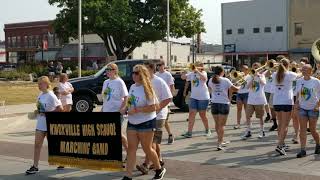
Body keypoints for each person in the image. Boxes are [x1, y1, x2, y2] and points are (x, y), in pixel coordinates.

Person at [122, 65, 166, 180]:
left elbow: (155, 106)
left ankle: (159, 169)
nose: (133, 75)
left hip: (146, 122)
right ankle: (128, 175)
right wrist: (126, 108)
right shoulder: (132, 86)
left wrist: (138, 110)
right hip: (132, 122)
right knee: (131, 149)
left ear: (142, 75)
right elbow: (130, 101)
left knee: (147, 148)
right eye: (133, 72)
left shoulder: (147, 88)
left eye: (136, 73)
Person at [136, 62, 172, 174]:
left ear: (151, 69)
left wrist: (158, 108)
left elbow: (168, 98)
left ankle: (146, 164)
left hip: (159, 116)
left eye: (145, 69)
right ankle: (159, 160)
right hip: (148, 116)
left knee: (151, 142)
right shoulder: (143, 82)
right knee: (154, 142)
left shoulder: (159, 81)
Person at [26, 76, 63, 175]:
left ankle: (61, 162)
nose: (39, 85)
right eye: (38, 84)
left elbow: (60, 109)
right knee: (37, 145)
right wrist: (36, 112)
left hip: (50, 124)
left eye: (40, 84)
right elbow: (40, 108)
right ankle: (35, 166)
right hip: (40, 123)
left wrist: (48, 113)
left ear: (46, 84)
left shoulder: (51, 95)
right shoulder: (40, 95)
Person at [208, 66, 239, 150]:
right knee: (222, 125)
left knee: (217, 124)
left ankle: (220, 140)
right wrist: (240, 86)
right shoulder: (225, 80)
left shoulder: (211, 80)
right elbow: (235, 89)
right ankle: (219, 143)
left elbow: (210, 89)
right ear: (222, 72)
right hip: (223, 103)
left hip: (214, 103)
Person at [101, 63, 129, 157]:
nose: (107, 71)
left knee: (118, 134)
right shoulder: (106, 82)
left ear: (115, 70)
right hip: (106, 111)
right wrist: (102, 109)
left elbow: (126, 97)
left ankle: (129, 153)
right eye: (106, 69)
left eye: (109, 69)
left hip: (116, 111)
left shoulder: (119, 82)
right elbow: (105, 98)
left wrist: (122, 109)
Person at [272, 58, 297, 156]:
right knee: (285, 125)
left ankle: (282, 143)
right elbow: (299, 75)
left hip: (277, 101)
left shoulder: (274, 74)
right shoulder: (290, 74)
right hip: (286, 101)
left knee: (280, 124)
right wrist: (296, 67)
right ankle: (279, 145)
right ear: (288, 65)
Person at [295, 64, 320, 158]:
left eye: (306, 69)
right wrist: (296, 103)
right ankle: (303, 150)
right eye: (303, 68)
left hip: (313, 108)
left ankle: (318, 144)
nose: (303, 70)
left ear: (310, 71)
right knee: (302, 129)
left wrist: (317, 106)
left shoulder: (316, 81)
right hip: (302, 108)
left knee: (313, 130)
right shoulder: (298, 81)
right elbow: (298, 93)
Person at [181, 62, 211, 138]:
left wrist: (197, 71)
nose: (195, 67)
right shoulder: (192, 73)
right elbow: (183, 77)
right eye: (195, 65)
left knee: (202, 114)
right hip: (194, 97)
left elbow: (204, 78)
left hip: (203, 97)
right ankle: (189, 132)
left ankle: (207, 130)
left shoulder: (204, 72)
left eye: (198, 65)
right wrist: (184, 71)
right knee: (191, 114)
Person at [241, 63, 267, 140]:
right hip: (251, 99)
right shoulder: (249, 76)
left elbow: (264, 83)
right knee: (248, 116)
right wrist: (252, 78)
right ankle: (248, 131)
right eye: (254, 68)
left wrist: (258, 76)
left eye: (256, 68)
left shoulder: (262, 75)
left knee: (260, 117)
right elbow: (247, 87)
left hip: (259, 99)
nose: (255, 69)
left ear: (259, 68)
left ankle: (262, 131)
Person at [155, 60, 175, 144]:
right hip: (158, 100)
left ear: (163, 65)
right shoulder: (156, 75)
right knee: (162, 120)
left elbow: (171, 87)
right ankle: (169, 135)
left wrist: (171, 99)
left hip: (166, 100)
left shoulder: (167, 74)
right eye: (157, 65)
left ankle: (169, 135)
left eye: (160, 65)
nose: (158, 67)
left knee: (164, 120)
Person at [234, 65, 250, 129]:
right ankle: (238, 124)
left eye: (245, 69)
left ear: (247, 70)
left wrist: (242, 78)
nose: (244, 70)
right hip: (239, 94)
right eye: (243, 69)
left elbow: (247, 84)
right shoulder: (238, 76)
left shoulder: (249, 76)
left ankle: (248, 122)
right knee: (239, 109)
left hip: (246, 93)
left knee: (247, 109)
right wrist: (236, 79)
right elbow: (235, 84)